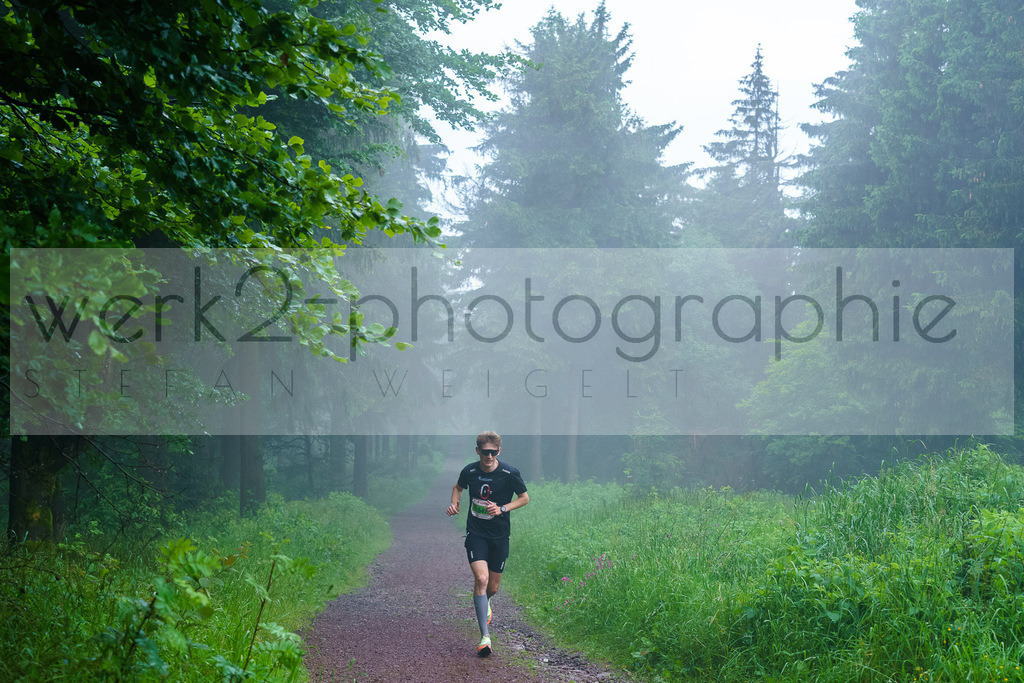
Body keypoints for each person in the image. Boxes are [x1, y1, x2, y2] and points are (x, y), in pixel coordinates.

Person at [445, 430, 529, 657]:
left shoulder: (510, 473)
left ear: (498, 451)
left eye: (493, 452)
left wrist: (502, 508)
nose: (489, 456)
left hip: (500, 535)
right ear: (478, 451)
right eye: (485, 452)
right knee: (481, 579)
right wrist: (455, 505)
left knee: (492, 587)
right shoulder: (470, 471)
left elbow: (524, 498)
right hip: (476, 533)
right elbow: (457, 488)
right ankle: (485, 637)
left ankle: (486, 602)